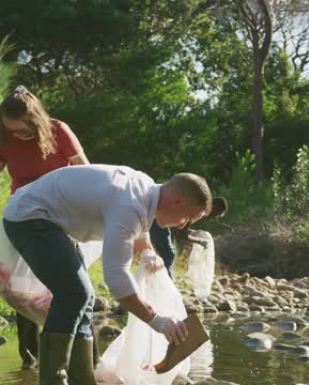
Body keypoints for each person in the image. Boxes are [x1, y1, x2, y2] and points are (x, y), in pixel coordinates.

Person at [3, 164, 212, 385]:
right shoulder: (129, 206)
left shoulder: (146, 190)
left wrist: (147, 251)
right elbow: (116, 278)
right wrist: (157, 321)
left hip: (54, 220)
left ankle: (83, 379)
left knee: (85, 298)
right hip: (30, 215)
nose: (182, 226)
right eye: (188, 218)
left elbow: (141, 225)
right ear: (177, 201)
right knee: (75, 294)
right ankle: (52, 380)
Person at [0, 85, 91, 370]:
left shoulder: (58, 130)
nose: (18, 135)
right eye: (11, 129)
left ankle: (84, 364)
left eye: (23, 129)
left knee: (76, 288)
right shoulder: (4, 138)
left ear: (36, 118)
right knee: (23, 287)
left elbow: (85, 171)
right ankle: (31, 359)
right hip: (24, 218)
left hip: (61, 217)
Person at [150, 196, 227, 276]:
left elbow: (180, 227)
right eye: (217, 214)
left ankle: (162, 280)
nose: (215, 218)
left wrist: (194, 232)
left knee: (165, 254)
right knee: (169, 255)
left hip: (157, 217)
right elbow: (181, 236)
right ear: (215, 207)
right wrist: (200, 241)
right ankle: (166, 284)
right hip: (157, 221)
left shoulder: (198, 203)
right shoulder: (199, 210)